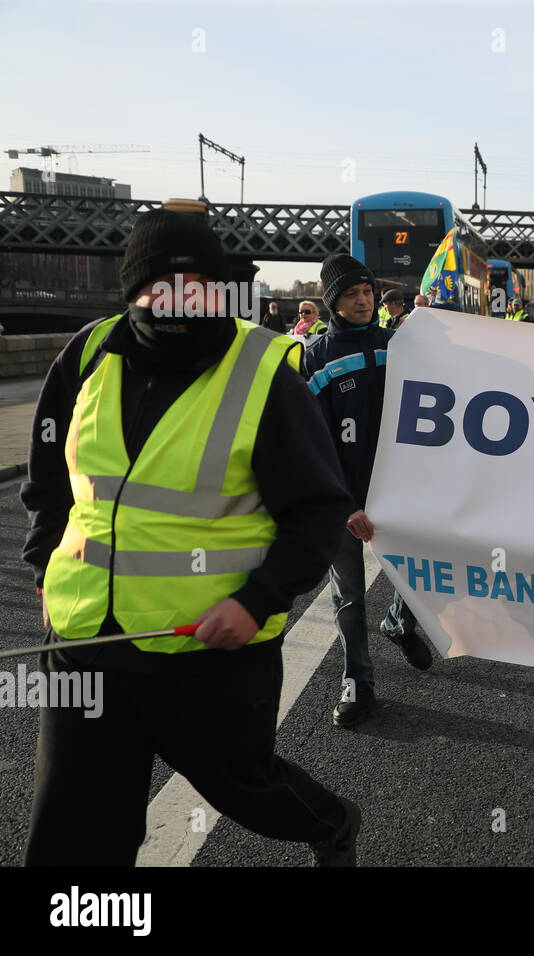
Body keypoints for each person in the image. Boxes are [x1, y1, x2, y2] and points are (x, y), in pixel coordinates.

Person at [21, 205, 361, 866]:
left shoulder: (265, 374)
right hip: (87, 640)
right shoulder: (87, 355)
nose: (178, 299)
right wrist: (42, 568)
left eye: (196, 284)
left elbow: (319, 510)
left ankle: (331, 823)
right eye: (160, 284)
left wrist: (256, 601)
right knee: (71, 833)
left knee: (248, 790)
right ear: (134, 290)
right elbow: (47, 479)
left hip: (212, 648)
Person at [302, 254, 435, 728]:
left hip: (399, 492)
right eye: (352, 294)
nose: (363, 301)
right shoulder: (315, 358)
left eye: (368, 292)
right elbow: (311, 442)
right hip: (344, 498)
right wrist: (344, 505)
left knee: (416, 576)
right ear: (333, 302)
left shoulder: (399, 343)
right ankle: (358, 680)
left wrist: (434, 321)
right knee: (350, 595)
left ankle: (399, 621)